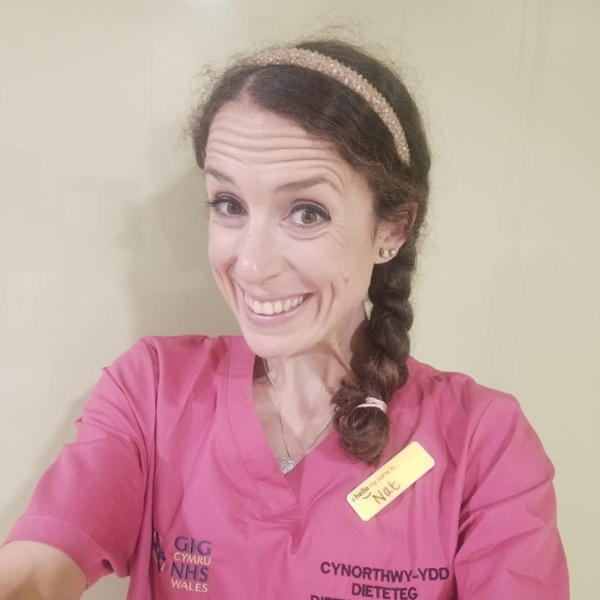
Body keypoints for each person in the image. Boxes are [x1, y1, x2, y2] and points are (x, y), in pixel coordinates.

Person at [0, 39, 569, 600]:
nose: (250, 265)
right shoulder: (152, 389)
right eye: (229, 204)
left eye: (306, 213)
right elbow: (40, 568)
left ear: (393, 228)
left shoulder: (483, 442)